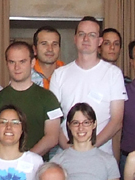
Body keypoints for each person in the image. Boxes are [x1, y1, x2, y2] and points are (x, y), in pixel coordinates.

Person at [50, 17, 127, 156]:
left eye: (92, 35)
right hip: (66, 155)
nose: (86, 39)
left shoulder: (113, 74)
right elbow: (54, 119)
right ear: (75, 39)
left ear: (100, 41)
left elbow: (117, 120)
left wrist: (89, 148)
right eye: (81, 34)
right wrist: (70, 149)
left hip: (100, 154)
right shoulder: (59, 74)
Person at [0, 42, 61, 155]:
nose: (17, 67)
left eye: (22, 62)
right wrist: (9, 160)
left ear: (32, 62)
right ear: (7, 64)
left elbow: (52, 137)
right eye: (12, 62)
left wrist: (27, 160)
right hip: (3, 163)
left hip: (37, 164)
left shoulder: (48, 98)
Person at [51, 103, 120, 180]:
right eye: (76, 123)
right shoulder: (57, 161)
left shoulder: (108, 161)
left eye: (86, 122)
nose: (81, 128)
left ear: (94, 124)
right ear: (69, 126)